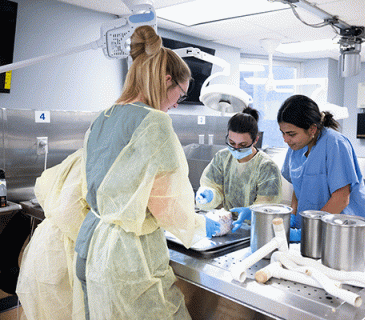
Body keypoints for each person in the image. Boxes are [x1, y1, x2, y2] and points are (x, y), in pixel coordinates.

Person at [74, 25, 220, 320]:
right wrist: (208, 226)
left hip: (90, 248)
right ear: (168, 80)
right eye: (181, 93)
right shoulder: (155, 123)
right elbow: (165, 207)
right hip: (128, 260)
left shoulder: (103, 118)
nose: (177, 103)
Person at [277, 94, 365, 242]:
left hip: (340, 234)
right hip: (309, 232)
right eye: (282, 133)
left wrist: (311, 230)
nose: (286, 139)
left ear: (312, 129)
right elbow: (298, 187)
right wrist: (292, 216)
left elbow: (341, 198)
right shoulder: (296, 147)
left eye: (291, 134)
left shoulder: (335, 144)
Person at [16, 149, 89, 320]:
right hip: (61, 252)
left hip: (47, 244)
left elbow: (42, 185)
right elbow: (68, 211)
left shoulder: (81, 154)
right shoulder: (90, 158)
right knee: (58, 309)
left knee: (43, 308)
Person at [195, 107, 282, 232]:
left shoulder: (267, 167)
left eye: (242, 145)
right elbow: (213, 187)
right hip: (226, 225)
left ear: (255, 140)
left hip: (257, 229)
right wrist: (209, 195)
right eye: (231, 142)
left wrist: (251, 212)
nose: (236, 148)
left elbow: (267, 207)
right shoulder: (222, 158)